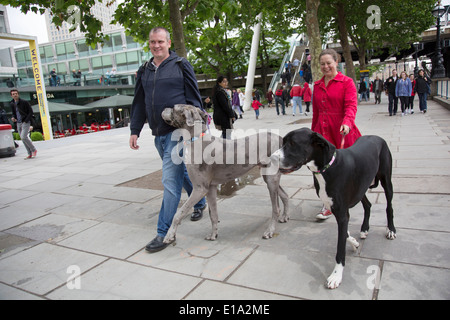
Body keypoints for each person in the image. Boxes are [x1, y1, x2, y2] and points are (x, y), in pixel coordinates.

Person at [129, 27, 206, 253]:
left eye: (160, 41)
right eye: (152, 42)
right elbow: (139, 102)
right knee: (181, 173)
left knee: (170, 182)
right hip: (158, 135)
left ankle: (164, 233)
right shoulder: (144, 70)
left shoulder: (181, 65)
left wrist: (199, 130)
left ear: (169, 42)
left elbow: (195, 100)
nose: (156, 46)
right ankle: (199, 202)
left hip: (178, 133)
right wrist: (135, 129)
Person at [312, 49, 362, 220]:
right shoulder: (317, 86)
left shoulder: (346, 82)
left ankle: (347, 197)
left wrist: (347, 122)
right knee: (322, 170)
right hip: (322, 133)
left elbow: (351, 106)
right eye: (322, 64)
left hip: (341, 130)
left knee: (343, 169)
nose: (325, 67)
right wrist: (312, 135)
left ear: (336, 62)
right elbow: (316, 113)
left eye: (329, 63)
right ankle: (327, 204)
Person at [10, 89, 37, 159]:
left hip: (25, 121)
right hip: (18, 123)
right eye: (13, 94)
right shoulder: (12, 103)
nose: (15, 95)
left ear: (18, 94)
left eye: (16, 93)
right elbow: (14, 113)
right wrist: (13, 117)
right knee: (23, 139)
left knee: (23, 137)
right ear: (11, 95)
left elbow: (30, 112)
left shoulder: (24, 102)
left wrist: (26, 120)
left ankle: (33, 150)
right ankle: (29, 153)